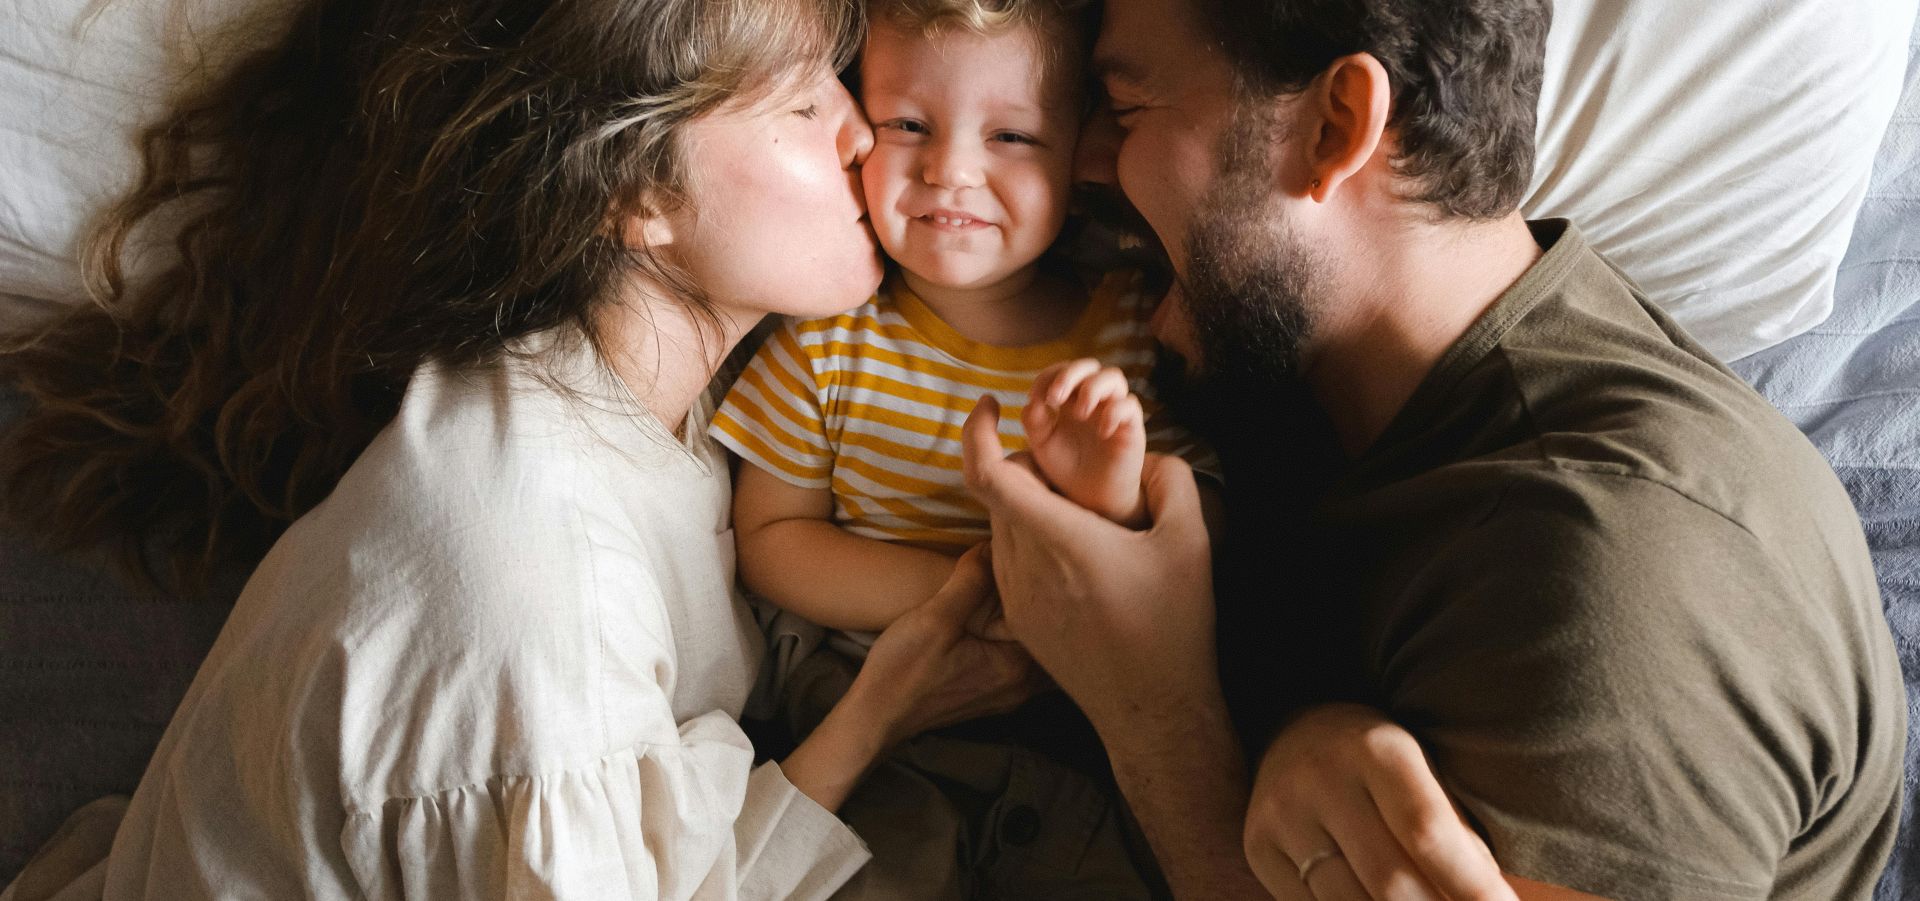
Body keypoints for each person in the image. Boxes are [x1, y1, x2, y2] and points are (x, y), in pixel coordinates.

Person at [0, 0, 1045, 897]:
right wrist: (878, 713)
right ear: (634, 198)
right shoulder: (538, 595)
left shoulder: (620, 393)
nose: (865, 134)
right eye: (806, 104)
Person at [960, 0, 1907, 899]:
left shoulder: (1616, 573)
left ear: (1336, 127)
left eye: (1127, 106)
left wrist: (1159, 720)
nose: (1083, 155)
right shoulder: (1319, 380)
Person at [708, 0, 1210, 894]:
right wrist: (958, 595)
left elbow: (1182, 546)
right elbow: (772, 538)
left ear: (1080, 152)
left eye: (1012, 136)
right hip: (892, 746)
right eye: (908, 125)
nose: (951, 170)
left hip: (1092, 739)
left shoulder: (1134, 334)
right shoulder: (826, 343)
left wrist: (1111, 496)